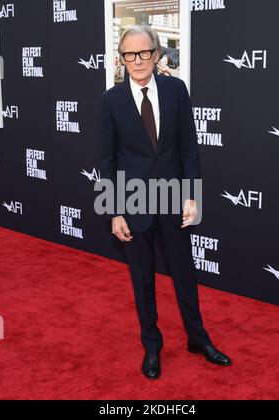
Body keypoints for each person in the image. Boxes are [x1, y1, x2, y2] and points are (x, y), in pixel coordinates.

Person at [98, 25, 231, 380]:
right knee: (142, 281)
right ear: (121, 58)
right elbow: (106, 161)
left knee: (185, 276)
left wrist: (192, 195)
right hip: (133, 203)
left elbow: (189, 147)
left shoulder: (176, 90)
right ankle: (152, 347)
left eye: (144, 53)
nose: (137, 60)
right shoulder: (111, 99)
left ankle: (198, 340)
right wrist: (113, 210)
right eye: (130, 54)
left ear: (156, 54)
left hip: (173, 200)